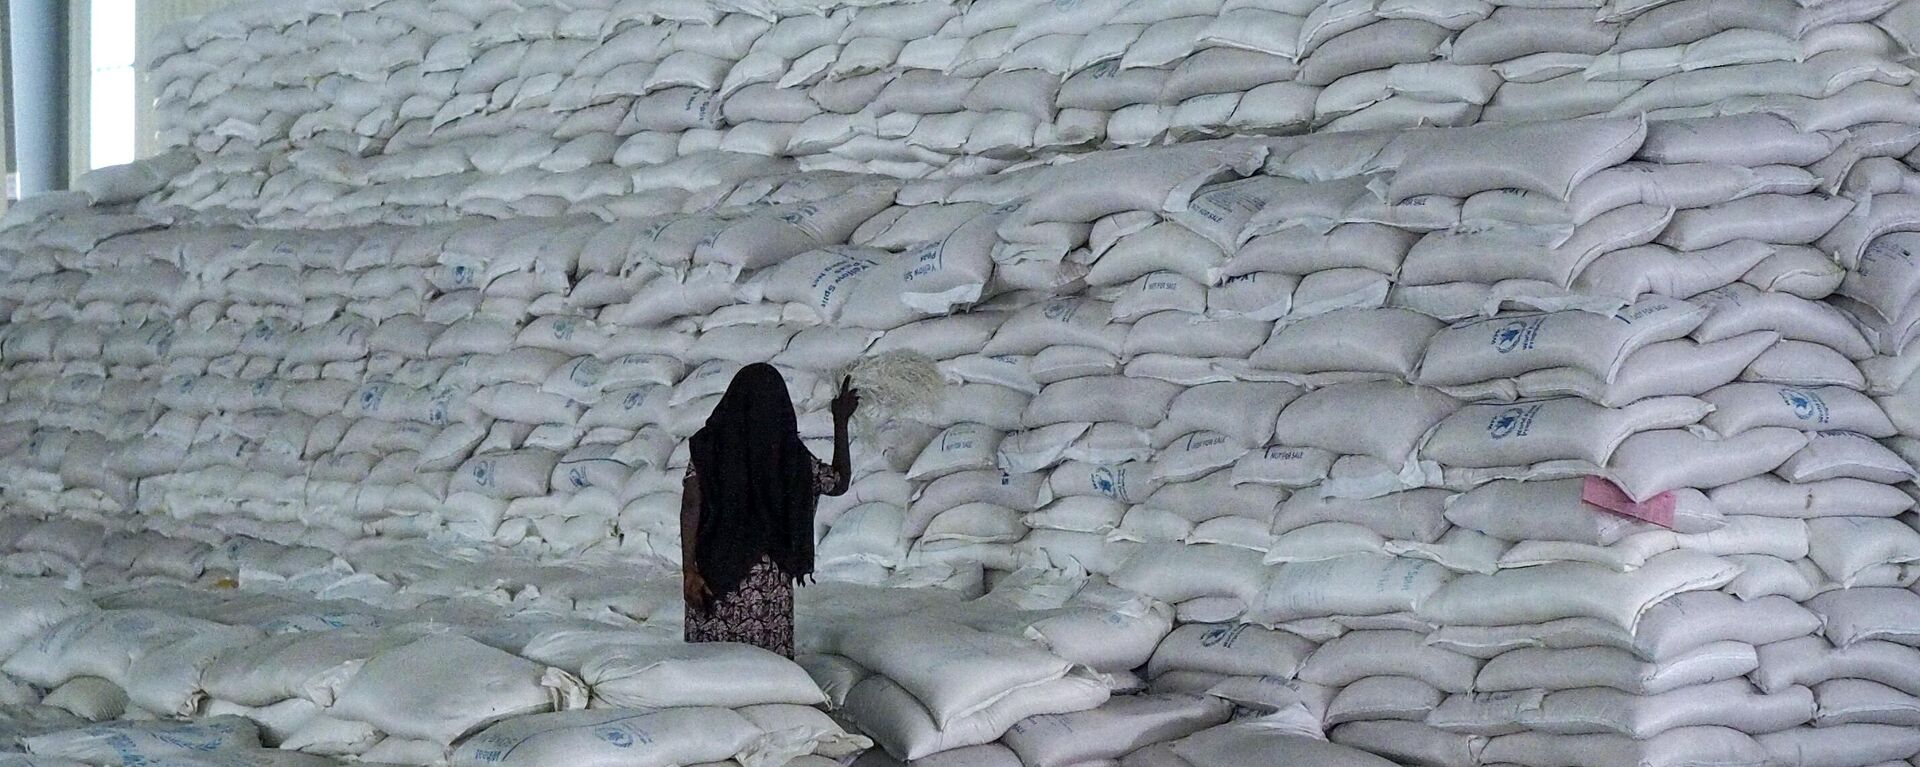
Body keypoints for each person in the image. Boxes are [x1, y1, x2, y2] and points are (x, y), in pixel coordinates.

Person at [681, 363, 857, 657]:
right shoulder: (791, 456)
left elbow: (691, 503)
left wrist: (689, 570)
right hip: (768, 584)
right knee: (767, 677)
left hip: (713, 575)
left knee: (710, 674)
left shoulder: (710, 446)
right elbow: (837, 482)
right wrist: (840, 422)